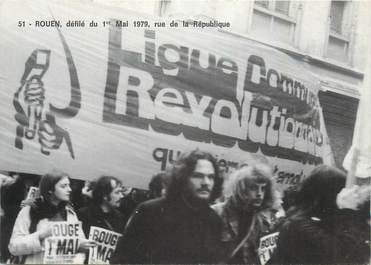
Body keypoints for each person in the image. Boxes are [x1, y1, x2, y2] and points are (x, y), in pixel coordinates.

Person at [111, 149, 224, 264]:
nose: (206, 182)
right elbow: (122, 258)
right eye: (198, 176)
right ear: (182, 178)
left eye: (211, 177)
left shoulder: (213, 220)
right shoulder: (151, 211)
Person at [269, 165, 370, 264]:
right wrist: (348, 211)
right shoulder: (296, 226)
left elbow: (361, 254)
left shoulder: (317, 222)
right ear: (328, 196)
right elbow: (342, 256)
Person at [8, 170, 94, 264]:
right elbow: (14, 247)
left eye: (69, 185)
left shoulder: (70, 214)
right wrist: (40, 236)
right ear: (50, 190)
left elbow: (77, 248)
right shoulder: (29, 210)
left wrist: (80, 246)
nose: (69, 189)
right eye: (63, 186)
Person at [212, 163, 278, 264]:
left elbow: (264, 259)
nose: (259, 193)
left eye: (263, 188)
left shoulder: (263, 222)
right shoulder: (217, 213)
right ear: (241, 189)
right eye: (253, 188)